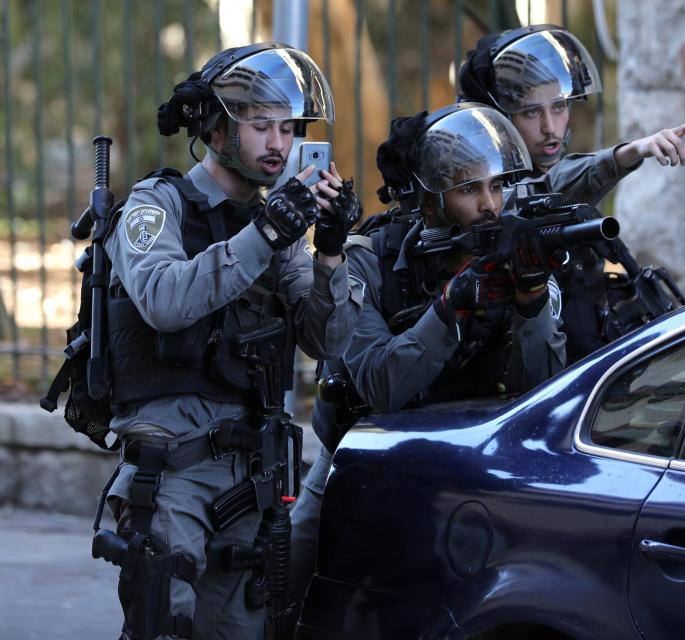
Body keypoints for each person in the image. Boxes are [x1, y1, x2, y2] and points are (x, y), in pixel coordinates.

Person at [100, 43, 362, 640]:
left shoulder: (280, 226)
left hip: (254, 477)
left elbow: (328, 339)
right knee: (164, 625)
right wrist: (268, 232)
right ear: (217, 129)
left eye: (289, 129)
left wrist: (330, 251)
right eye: (262, 126)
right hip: (175, 470)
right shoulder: (155, 205)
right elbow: (165, 301)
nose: (279, 143)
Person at [287, 102, 567, 618]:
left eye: (497, 186)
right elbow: (379, 387)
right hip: (353, 462)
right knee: (286, 581)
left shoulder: (519, 254)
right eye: (468, 189)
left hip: (468, 465)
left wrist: (530, 303)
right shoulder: (368, 258)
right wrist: (450, 306)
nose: (490, 205)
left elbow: (544, 394)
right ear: (432, 201)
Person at [458, 25, 685, 362]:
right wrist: (628, 153)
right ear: (500, 119)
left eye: (558, 106)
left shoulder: (546, 168)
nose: (550, 127)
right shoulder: (484, 195)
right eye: (531, 112)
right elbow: (552, 188)